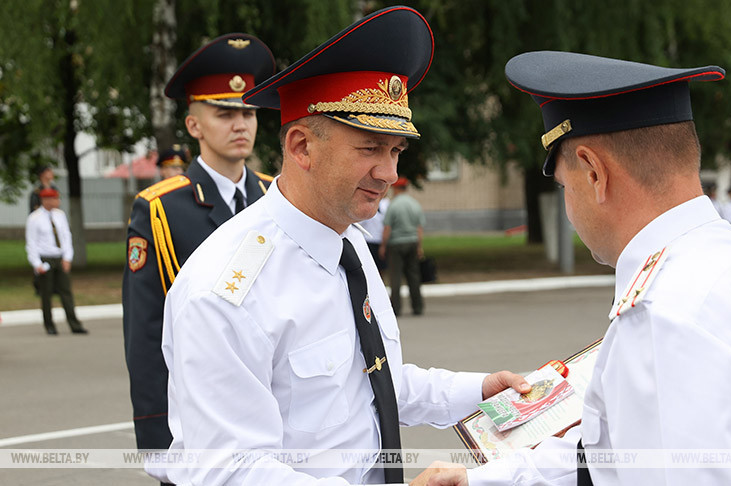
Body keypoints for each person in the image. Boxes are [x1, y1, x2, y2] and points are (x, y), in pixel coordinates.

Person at [413, 51, 731, 486]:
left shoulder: (666, 310)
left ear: (594, 172)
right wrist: (485, 479)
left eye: (565, 185)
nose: (568, 206)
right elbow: (613, 448)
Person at [160, 8, 529, 485]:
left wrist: (480, 391)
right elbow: (231, 471)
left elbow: (373, 381)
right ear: (300, 147)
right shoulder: (225, 289)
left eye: (396, 151)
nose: (389, 174)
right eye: (369, 148)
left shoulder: (348, 246)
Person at [121, 33, 276, 484]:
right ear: (193, 126)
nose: (240, 124)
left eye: (248, 112)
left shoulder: (278, 196)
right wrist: (156, 439)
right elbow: (146, 332)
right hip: (199, 418)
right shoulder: (160, 209)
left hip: (276, 408)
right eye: (224, 113)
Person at [25, 188, 87, 335]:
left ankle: (74, 324)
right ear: (45, 200)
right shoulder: (34, 218)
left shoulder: (60, 215)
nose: (58, 202)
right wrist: (36, 264)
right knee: (46, 294)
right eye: (54, 199)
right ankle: (50, 325)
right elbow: (31, 243)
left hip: (59, 257)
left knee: (66, 292)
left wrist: (67, 258)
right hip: (45, 258)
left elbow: (66, 236)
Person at [380, 177, 426, 316]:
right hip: (412, 242)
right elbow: (419, 228)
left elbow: (387, 227)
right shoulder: (415, 204)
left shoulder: (393, 205)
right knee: (413, 275)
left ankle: (396, 308)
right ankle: (417, 307)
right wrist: (419, 246)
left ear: (396, 188)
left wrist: (383, 245)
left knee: (396, 276)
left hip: (396, 244)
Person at [359, 195, 390, 270]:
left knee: (381, 267)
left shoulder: (387, 204)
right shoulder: (367, 204)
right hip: (369, 240)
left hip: (381, 240)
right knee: (369, 266)